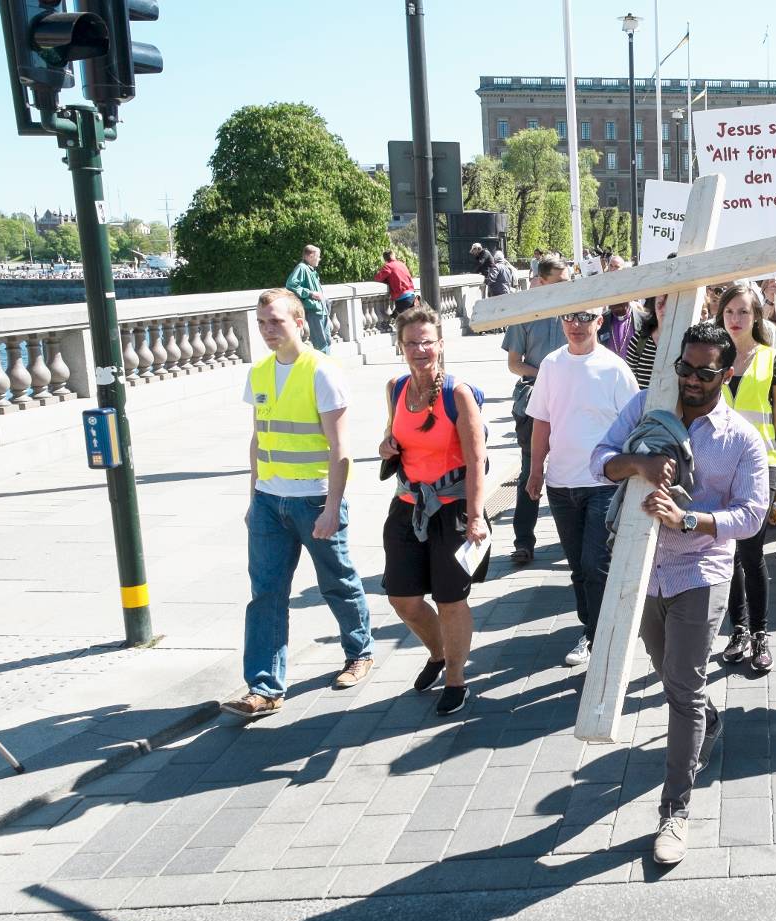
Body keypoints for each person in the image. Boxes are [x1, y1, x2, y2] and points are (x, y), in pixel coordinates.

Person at [593, 322, 768, 866]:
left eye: (705, 371)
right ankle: (709, 723)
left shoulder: (740, 438)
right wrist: (637, 464)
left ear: (728, 371)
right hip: (643, 571)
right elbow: (597, 460)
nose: (691, 380)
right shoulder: (648, 405)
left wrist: (691, 518)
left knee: (683, 690)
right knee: (672, 676)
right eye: (685, 368)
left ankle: (676, 810)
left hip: (701, 573)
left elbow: (753, 514)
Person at [222, 289, 372, 719]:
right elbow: (259, 439)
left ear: (300, 322)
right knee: (265, 594)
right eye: (262, 323)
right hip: (270, 502)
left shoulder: (322, 372)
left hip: (314, 499)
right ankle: (264, 688)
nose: (268, 331)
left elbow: (340, 448)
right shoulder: (259, 373)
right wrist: (254, 497)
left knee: (336, 582)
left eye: (276, 322)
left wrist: (332, 506)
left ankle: (359, 651)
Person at [377, 303, 489, 717]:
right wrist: (385, 446)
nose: (419, 350)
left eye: (427, 342)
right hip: (408, 505)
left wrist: (476, 515)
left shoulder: (456, 394)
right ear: (401, 347)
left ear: (440, 345)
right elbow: (391, 439)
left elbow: (476, 460)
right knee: (402, 599)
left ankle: (457, 677)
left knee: (450, 599)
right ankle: (438, 653)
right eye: (411, 343)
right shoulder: (395, 388)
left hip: (453, 507)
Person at [526, 310, 639, 667]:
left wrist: (630, 470)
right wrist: (534, 471)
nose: (576, 325)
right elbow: (542, 420)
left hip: (602, 484)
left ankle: (600, 636)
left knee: (595, 565)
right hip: (561, 484)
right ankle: (591, 627)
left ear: (598, 322)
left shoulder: (615, 368)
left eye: (585, 318)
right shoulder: (551, 365)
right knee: (578, 567)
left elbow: (635, 422)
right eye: (569, 318)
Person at [716, 284, 776, 675]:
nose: (735, 319)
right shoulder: (711, 356)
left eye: (743, 312)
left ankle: (760, 632)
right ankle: (738, 630)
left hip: (762, 465)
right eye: (729, 311)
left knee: (751, 553)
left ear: (757, 316)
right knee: (728, 555)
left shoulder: (771, 359)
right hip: (719, 465)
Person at [502, 254, 572, 565]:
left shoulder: (575, 311)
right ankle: (523, 540)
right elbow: (514, 363)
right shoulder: (525, 314)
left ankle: (569, 537)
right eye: (559, 283)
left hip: (571, 397)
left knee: (571, 469)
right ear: (541, 282)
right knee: (531, 469)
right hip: (534, 399)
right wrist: (544, 374)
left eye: (568, 283)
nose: (565, 288)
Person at [285, 244, 331, 350]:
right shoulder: (302, 268)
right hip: (313, 311)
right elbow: (291, 285)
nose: (319, 259)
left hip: (321, 310)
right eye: (318, 256)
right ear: (310, 256)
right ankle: (323, 365)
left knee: (327, 341)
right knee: (321, 344)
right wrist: (310, 293)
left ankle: (328, 364)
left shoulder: (310, 269)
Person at [623, 293, 668, 390]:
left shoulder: (687, 342)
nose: (664, 309)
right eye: (660, 304)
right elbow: (629, 385)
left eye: (669, 304)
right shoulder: (638, 340)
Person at [373, 250, 416, 317]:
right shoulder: (402, 264)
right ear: (393, 256)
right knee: (408, 322)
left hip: (402, 298)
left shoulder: (388, 266)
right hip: (411, 296)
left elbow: (378, 278)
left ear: (385, 259)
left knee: (402, 323)